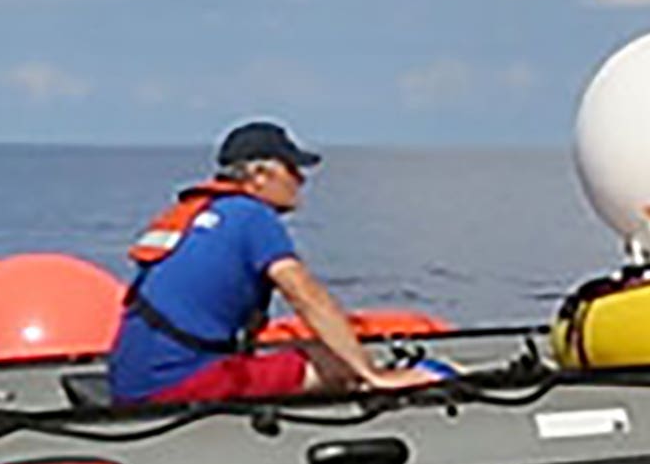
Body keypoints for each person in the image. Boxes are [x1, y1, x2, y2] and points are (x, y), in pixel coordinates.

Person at [107, 120, 438, 405]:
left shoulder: (202, 212)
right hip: (175, 384)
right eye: (292, 169)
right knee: (337, 364)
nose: (300, 180)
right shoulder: (253, 215)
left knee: (306, 351)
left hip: (132, 379)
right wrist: (371, 373)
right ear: (260, 174)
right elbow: (306, 296)